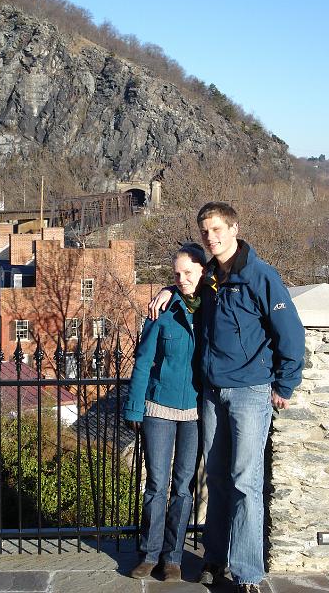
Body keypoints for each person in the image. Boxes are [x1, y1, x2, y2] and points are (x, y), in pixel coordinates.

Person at [148, 202, 305, 593]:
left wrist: (285, 385)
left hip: (250, 392)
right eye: (205, 231)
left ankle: (249, 573)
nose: (211, 237)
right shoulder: (212, 278)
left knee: (245, 482)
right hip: (213, 393)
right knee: (216, 479)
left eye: (217, 229)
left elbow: (291, 333)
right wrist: (170, 286)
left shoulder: (260, 275)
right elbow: (189, 282)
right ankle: (215, 561)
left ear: (234, 228)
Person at [124, 243, 206, 582]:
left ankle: (173, 558)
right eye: (177, 275)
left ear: (203, 271)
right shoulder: (162, 311)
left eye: (188, 273)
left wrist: (171, 289)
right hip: (159, 407)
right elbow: (144, 361)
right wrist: (135, 406)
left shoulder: (212, 308)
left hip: (196, 412)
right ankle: (149, 554)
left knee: (183, 487)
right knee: (157, 484)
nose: (182, 279)